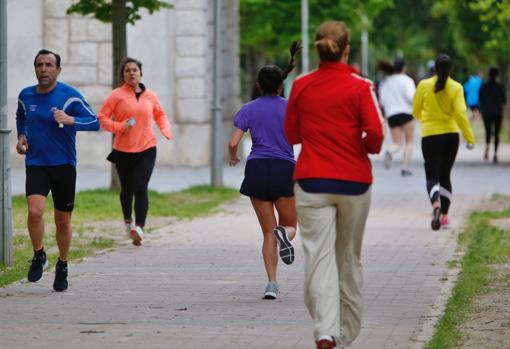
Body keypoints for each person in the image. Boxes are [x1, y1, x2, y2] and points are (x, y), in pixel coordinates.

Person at [285, 21, 384, 349]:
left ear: (317, 48)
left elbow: (291, 134)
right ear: (346, 50)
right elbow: (376, 136)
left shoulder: (301, 85)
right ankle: (346, 331)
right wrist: (362, 146)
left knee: (318, 256)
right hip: (354, 182)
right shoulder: (360, 86)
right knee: (348, 257)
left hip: (312, 180)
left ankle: (325, 330)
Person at [16, 49, 100, 292]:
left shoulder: (69, 96)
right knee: (34, 212)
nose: (43, 69)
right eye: (39, 65)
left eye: (49, 65)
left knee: (62, 220)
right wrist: (21, 136)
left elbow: (95, 121)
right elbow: (20, 116)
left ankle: (62, 264)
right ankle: (39, 254)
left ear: (58, 70)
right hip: (36, 163)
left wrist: (71, 119)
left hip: (64, 165)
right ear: (35, 69)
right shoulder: (26, 95)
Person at [228, 42, 300, 300]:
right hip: (284, 168)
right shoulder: (291, 108)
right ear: (281, 86)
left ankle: (272, 284)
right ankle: (286, 236)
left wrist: (233, 158)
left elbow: (234, 142)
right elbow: (301, 136)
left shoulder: (248, 109)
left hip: (257, 168)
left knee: (267, 232)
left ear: (258, 85)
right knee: (289, 224)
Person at [98, 57, 172, 246]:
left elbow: (160, 114)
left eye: (135, 70)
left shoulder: (151, 96)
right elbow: (102, 118)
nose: (131, 73)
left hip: (147, 147)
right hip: (123, 150)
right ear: (122, 75)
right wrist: (120, 127)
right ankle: (127, 220)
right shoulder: (116, 95)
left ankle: (139, 227)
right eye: (127, 70)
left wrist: (165, 129)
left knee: (140, 186)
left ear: (140, 73)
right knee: (127, 189)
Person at [412, 54, 475, 230]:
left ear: (435, 69)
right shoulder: (456, 87)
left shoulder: (424, 85)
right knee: (445, 175)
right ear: (451, 69)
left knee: (432, 175)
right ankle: (445, 216)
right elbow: (461, 114)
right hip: (451, 135)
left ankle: (435, 204)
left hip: (430, 135)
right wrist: (469, 138)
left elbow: (415, 110)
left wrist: (425, 118)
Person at [377, 57, 416, 176]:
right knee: (409, 141)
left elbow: (382, 101)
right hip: (406, 113)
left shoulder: (386, 81)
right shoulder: (407, 80)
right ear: (404, 67)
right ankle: (404, 168)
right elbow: (411, 97)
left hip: (392, 114)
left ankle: (390, 151)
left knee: (397, 143)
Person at [479, 66, 506, 163]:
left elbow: (480, 99)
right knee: (496, 133)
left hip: (486, 113)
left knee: (488, 132)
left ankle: (487, 148)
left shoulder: (483, 86)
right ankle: (495, 154)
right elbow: (504, 100)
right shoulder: (500, 87)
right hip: (497, 113)